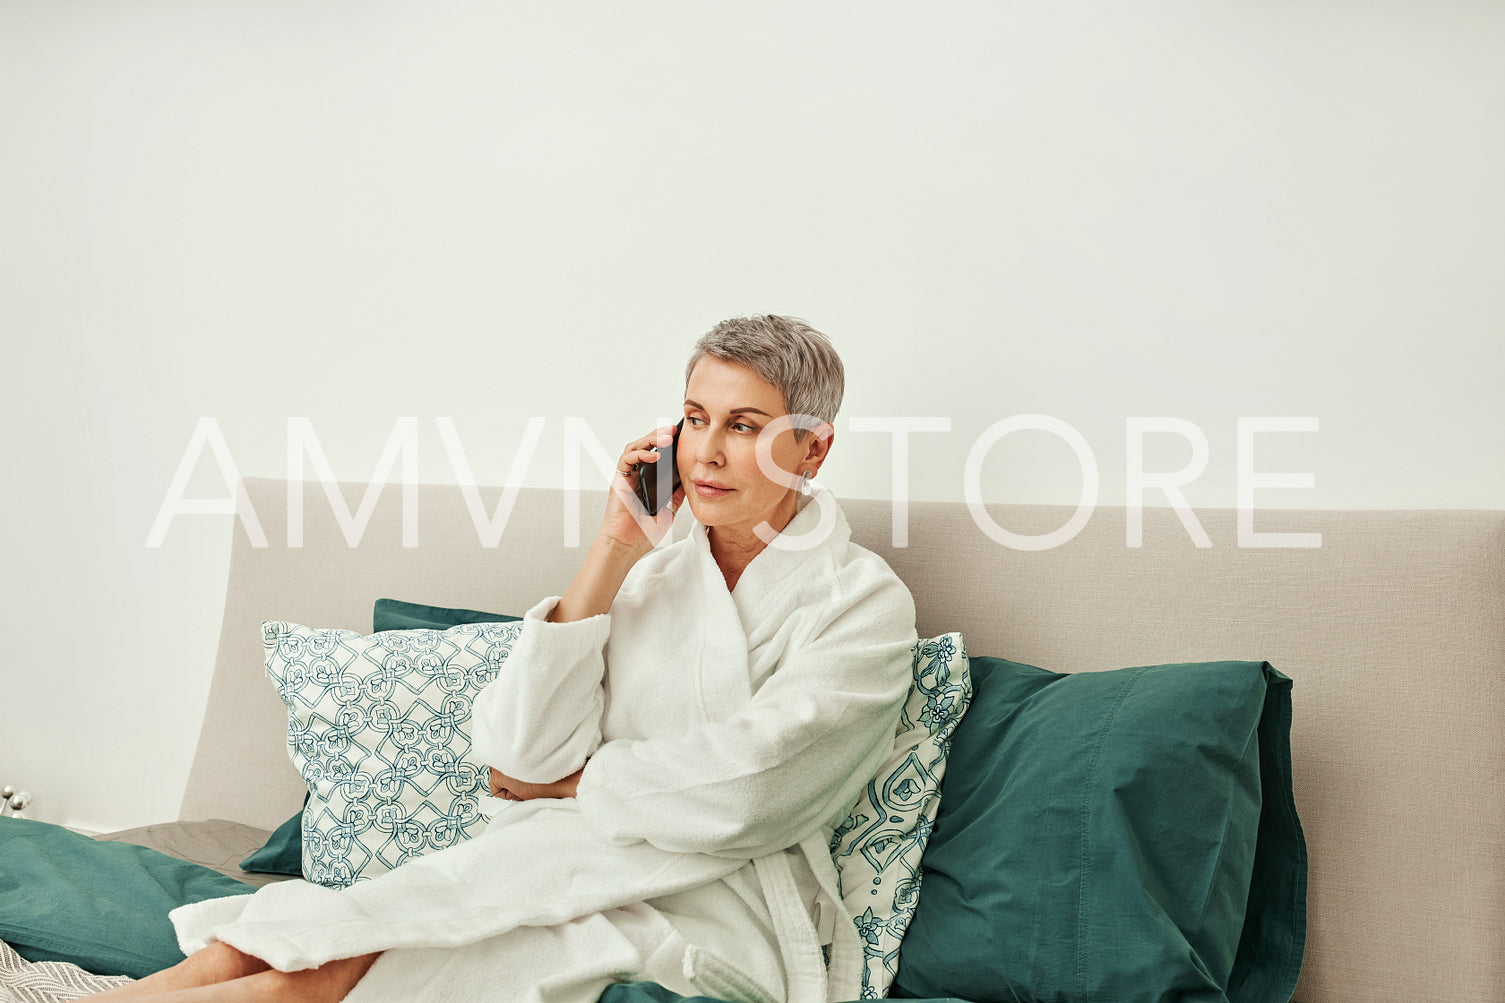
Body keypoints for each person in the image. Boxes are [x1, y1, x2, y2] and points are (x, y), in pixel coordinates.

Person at [87, 314, 918, 1003]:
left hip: (708, 904)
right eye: (695, 417)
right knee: (245, 952)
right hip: (550, 859)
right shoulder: (658, 569)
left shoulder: (860, 604)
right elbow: (518, 753)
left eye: (743, 426)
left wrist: (570, 785)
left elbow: (749, 791)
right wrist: (613, 546)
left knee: (316, 977)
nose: (705, 452)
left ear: (812, 450)